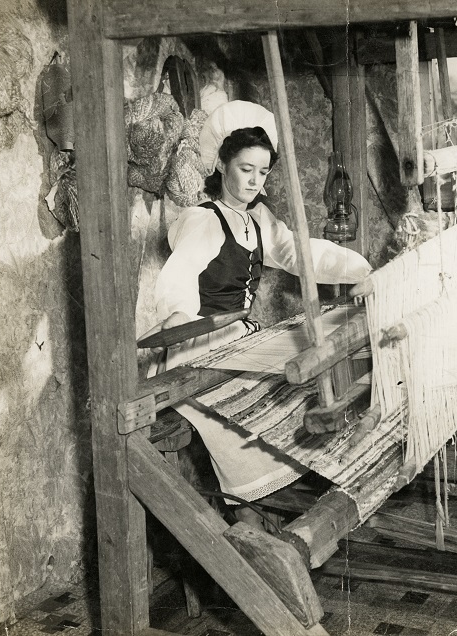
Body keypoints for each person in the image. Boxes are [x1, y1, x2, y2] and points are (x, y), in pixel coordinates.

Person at [146, 100, 371, 527]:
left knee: (304, 374)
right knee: (246, 425)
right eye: (246, 168)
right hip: (199, 348)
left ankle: (268, 513)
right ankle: (249, 517)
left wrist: (360, 268)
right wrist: (177, 314)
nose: (254, 180)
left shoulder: (257, 219)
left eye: (263, 171)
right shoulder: (203, 220)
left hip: (237, 341)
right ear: (222, 165)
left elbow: (299, 253)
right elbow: (178, 275)